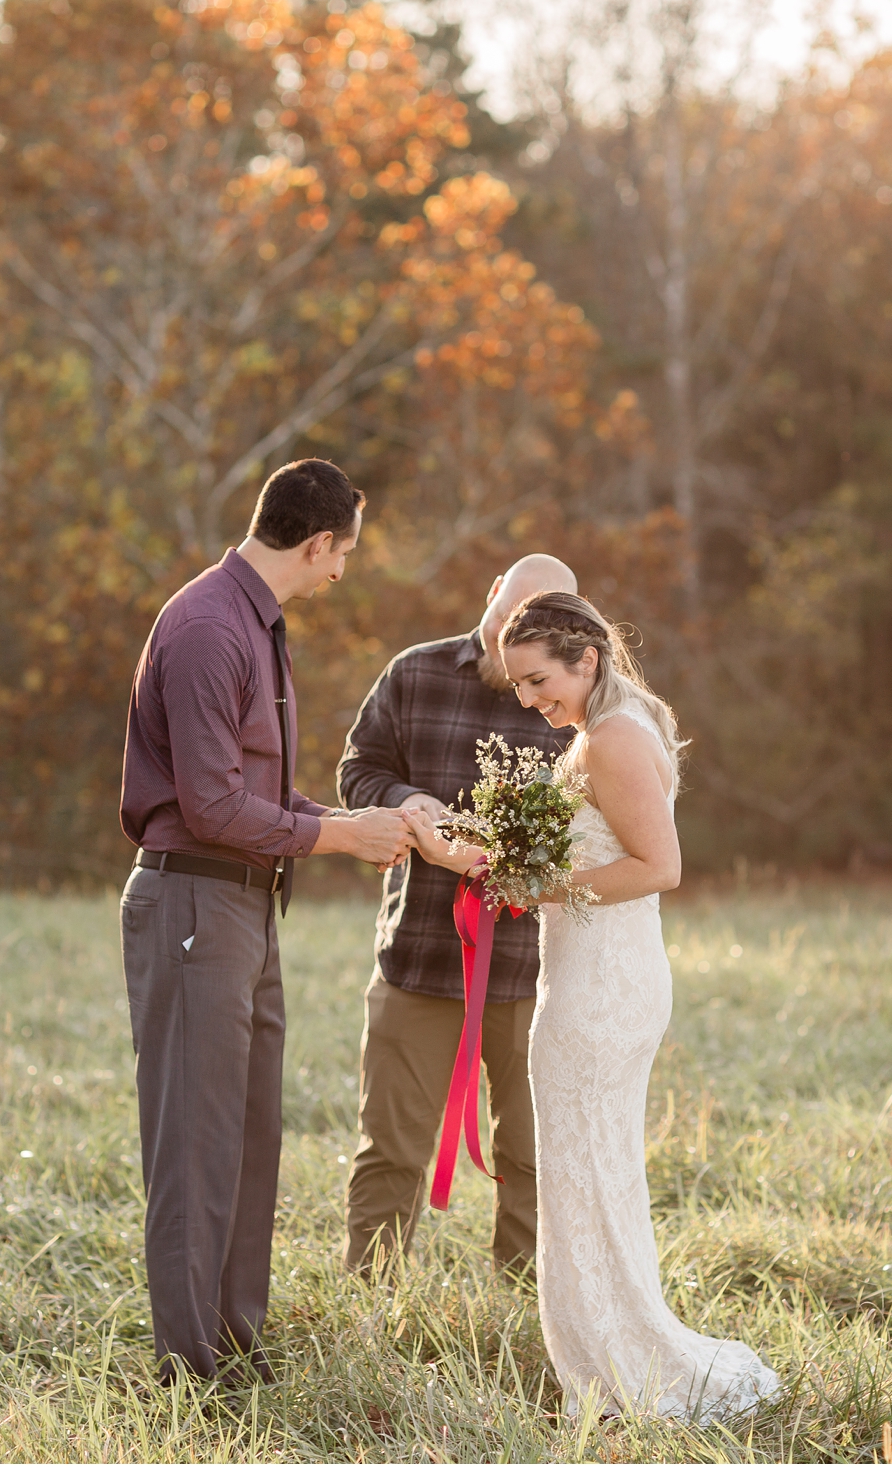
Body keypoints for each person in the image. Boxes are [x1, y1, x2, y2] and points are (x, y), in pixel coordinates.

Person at [403, 591, 782, 1420]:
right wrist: (485, 859)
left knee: (583, 1173)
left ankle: (621, 1369)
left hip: (602, 985)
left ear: (588, 659)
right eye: (523, 688)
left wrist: (541, 887)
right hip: (596, 972)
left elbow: (659, 866)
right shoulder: (610, 727)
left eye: (541, 681)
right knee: (589, 1171)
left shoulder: (611, 738)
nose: (533, 701)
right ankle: (609, 1355)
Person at [117, 457, 413, 1385]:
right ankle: (188, 1375)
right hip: (195, 900)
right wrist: (341, 837)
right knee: (196, 1147)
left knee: (250, 1136)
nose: (340, 575)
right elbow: (209, 806)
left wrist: (378, 828)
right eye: (343, 558)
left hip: (248, 905)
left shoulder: (258, 623)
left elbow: (264, 792)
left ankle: (240, 1349)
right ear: (318, 542)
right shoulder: (209, 626)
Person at [334, 554, 579, 1277]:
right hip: (418, 953)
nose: (517, 639)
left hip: (536, 969)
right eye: (510, 615)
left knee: (532, 1152)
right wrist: (405, 799)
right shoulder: (415, 673)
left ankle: (528, 1304)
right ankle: (371, 1298)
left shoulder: (573, 704)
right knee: (391, 1146)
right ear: (492, 594)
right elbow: (358, 768)